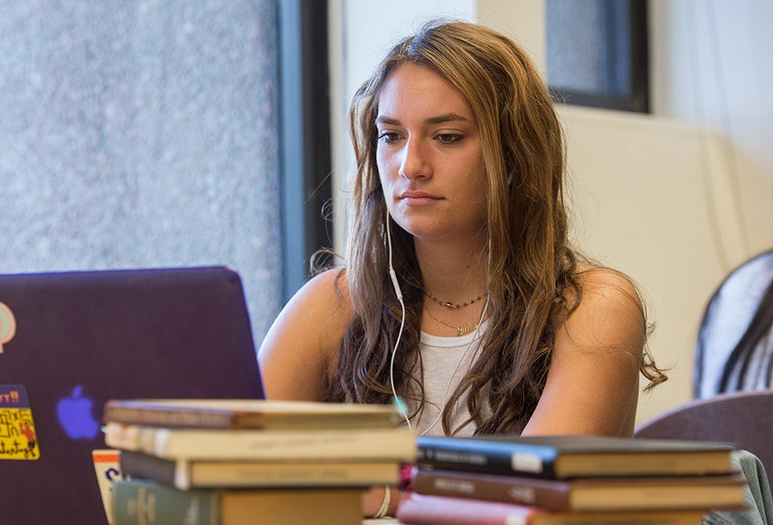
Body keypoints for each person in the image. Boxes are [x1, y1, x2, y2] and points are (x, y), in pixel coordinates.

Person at [257, 19, 667, 518]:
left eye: (447, 136)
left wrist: (378, 492)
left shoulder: (591, 307)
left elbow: (527, 500)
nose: (410, 165)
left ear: (515, 156)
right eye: (391, 136)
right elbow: (228, 469)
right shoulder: (333, 304)